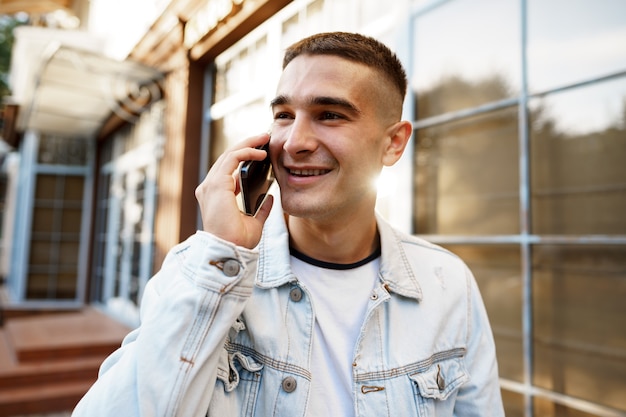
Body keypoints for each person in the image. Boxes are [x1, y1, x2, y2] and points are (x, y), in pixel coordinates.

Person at [73, 32, 505, 417]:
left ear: (393, 143)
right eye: (283, 115)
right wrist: (222, 259)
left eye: (330, 115)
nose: (294, 142)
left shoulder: (449, 285)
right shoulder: (201, 270)